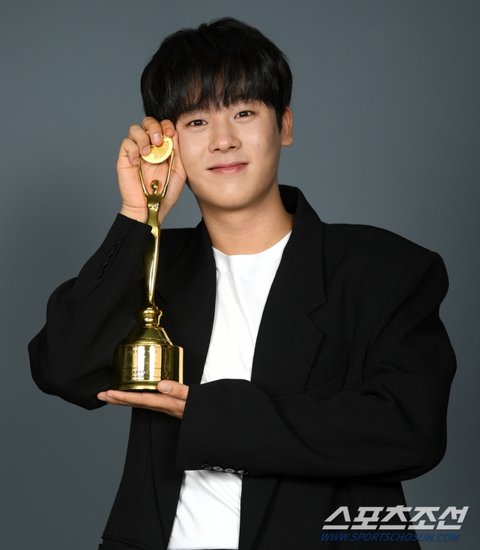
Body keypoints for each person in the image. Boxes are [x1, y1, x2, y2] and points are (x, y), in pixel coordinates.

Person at [29, 17, 456, 550]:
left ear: (285, 125)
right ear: (167, 141)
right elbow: (63, 368)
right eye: (197, 121)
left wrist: (206, 415)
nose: (224, 140)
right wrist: (139, 214)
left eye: (244, 112)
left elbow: (409, 429)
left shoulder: (383, 270)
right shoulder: (156, 266)